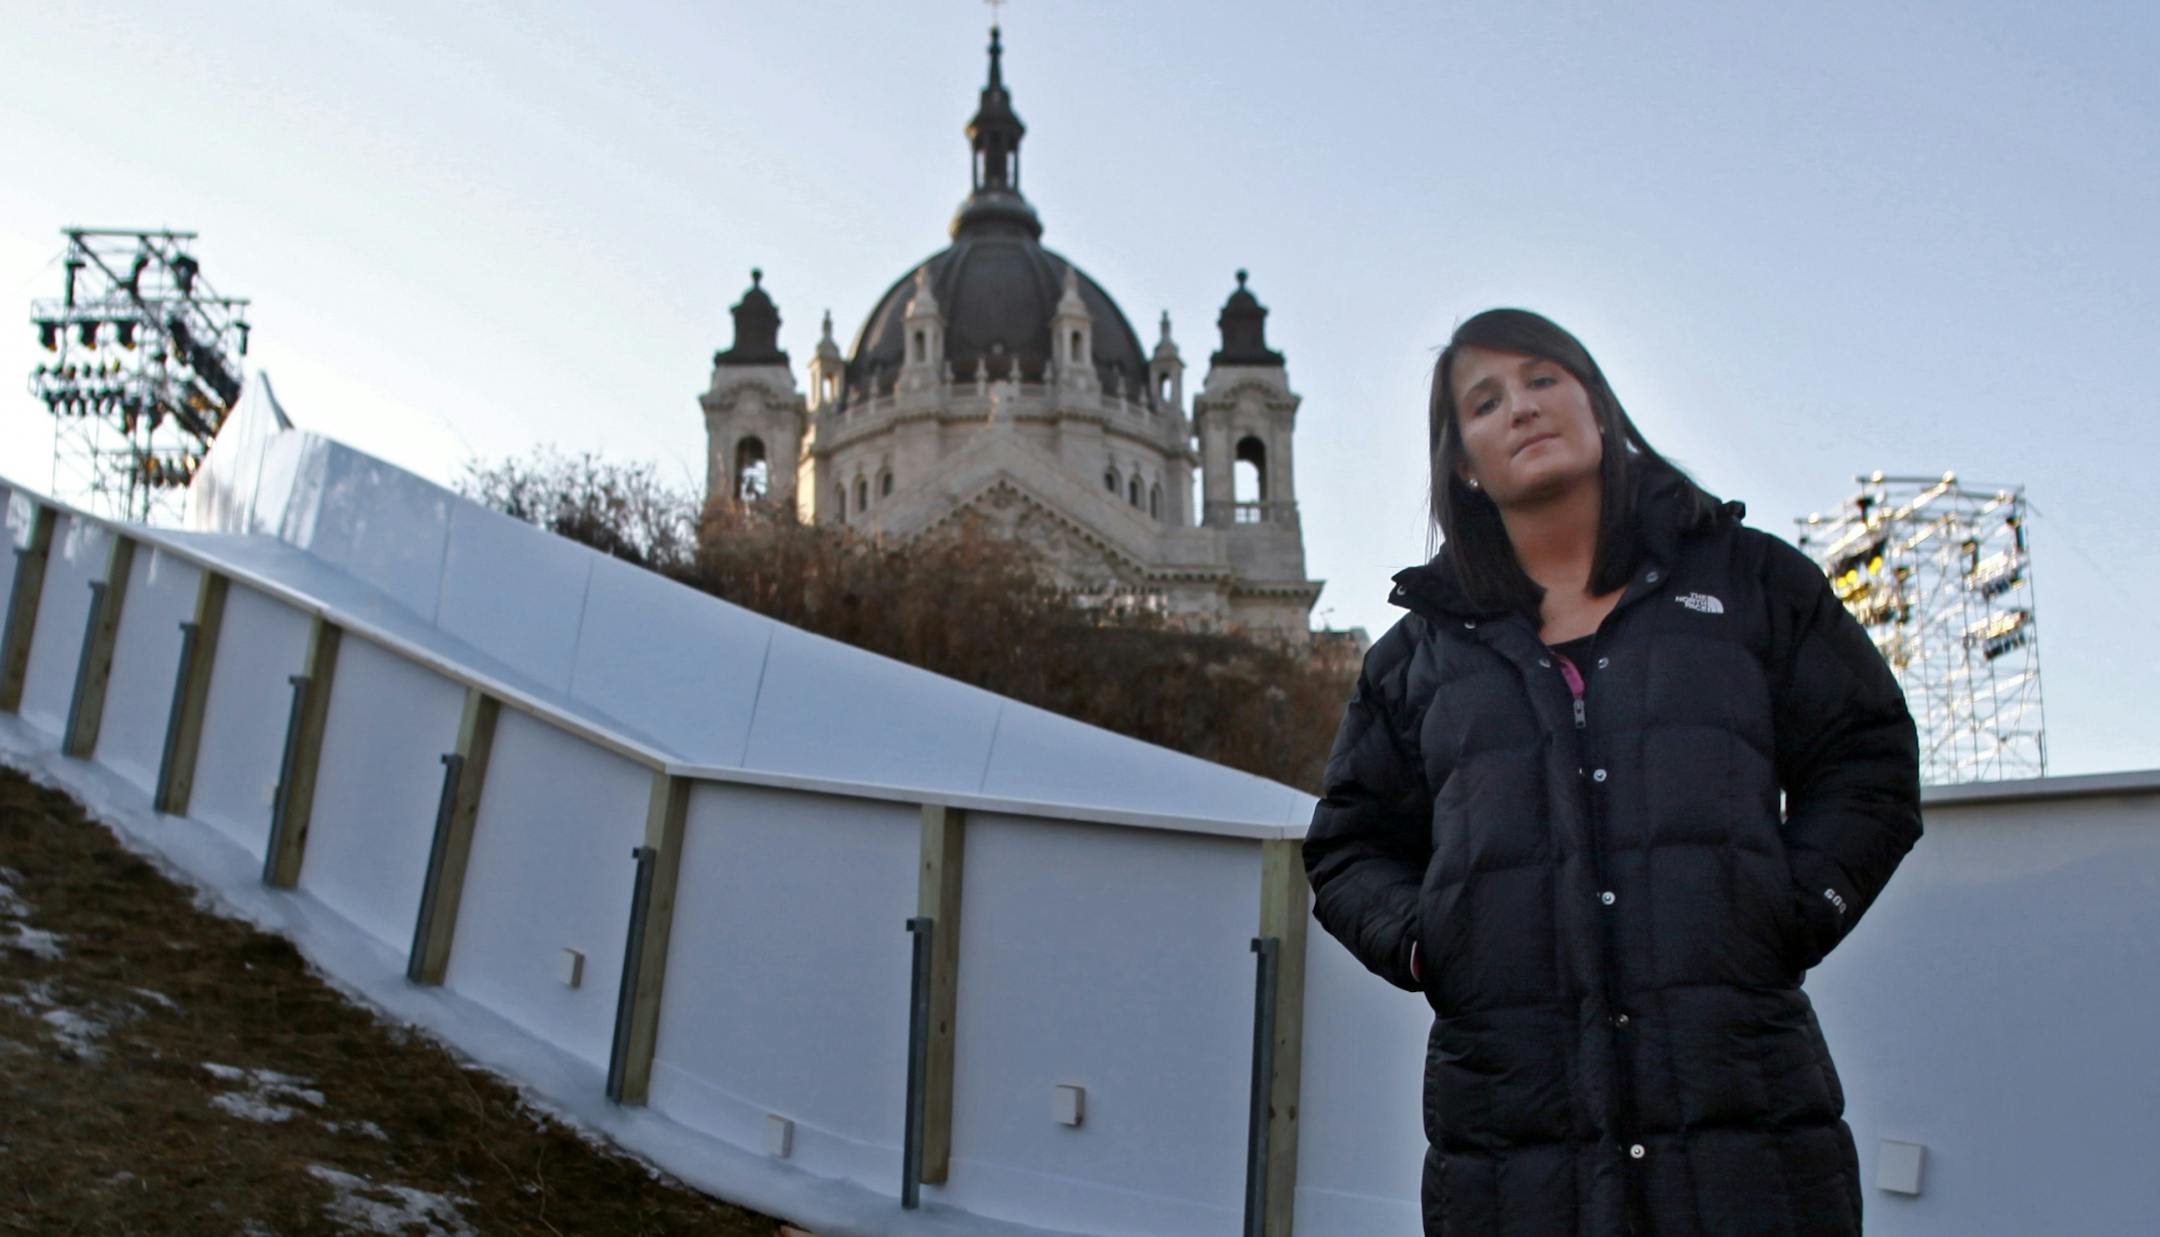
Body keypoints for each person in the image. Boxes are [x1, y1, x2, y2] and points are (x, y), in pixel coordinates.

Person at [1303, 308, 1921, 1236]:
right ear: (1463, 461)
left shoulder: (1751, 581)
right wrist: (1433, 940)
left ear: (1598, 402)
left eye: (1544, 377)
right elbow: (1349, 847)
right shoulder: (1413, 659)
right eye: (1485, 400)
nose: (1521, 406)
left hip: (1745, 1122)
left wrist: (1789, 907)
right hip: (1513, 1149)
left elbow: (1867, 760)